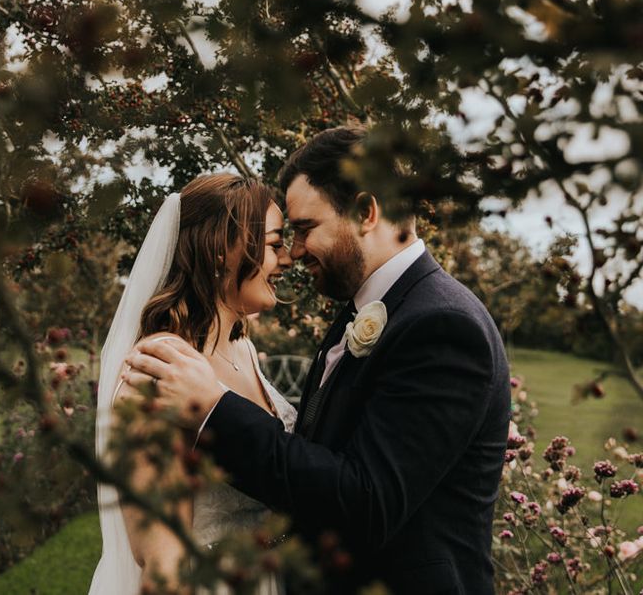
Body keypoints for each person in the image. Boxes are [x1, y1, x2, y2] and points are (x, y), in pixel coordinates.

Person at [125, 126, 512, 595]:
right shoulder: (368, 312)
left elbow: (366, 503)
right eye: (281, 239)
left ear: (367, 212)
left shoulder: (443, 326)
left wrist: (213, 408)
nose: (295, 252)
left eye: (305, 229)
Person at [89, 173, 295, 595]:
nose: (288, 258)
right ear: (223, 250)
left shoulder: (243, 349)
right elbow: (165, 564)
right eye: (275, 244)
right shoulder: (159, 370)